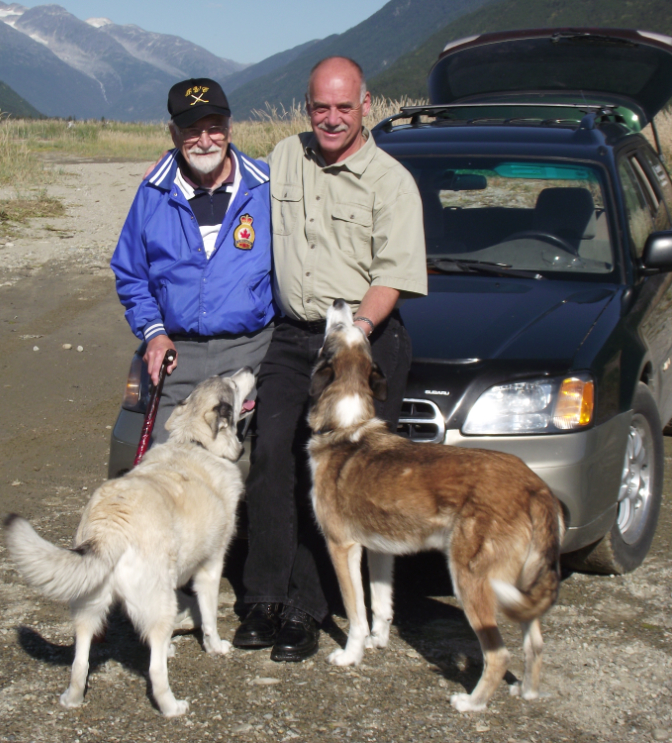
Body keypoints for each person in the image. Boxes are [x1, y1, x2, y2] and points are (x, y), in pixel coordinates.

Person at [233, 57, 428, 661]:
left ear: (366, 105)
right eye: (322, 107)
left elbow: (391, 277)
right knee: (271, 453)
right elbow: (237, 207)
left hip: (360, 338)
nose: (333, 118)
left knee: (338, 477)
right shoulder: (284, 157)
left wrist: (355, 336)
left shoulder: (392, 182)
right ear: (308, 106)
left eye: (345, 107)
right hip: (294, 338)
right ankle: (262, 597)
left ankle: (306, 608)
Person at [111, 78, 274, 442]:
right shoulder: (154, 193)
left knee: (261, 465)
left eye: (215, 128)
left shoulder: (266, 188)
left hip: (252, 351)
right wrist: (154, 333)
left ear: (230, 129)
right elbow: (129, 272)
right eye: (192, 130)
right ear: (173, 134)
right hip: (178, 354)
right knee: (168, 465)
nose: (205, 141)